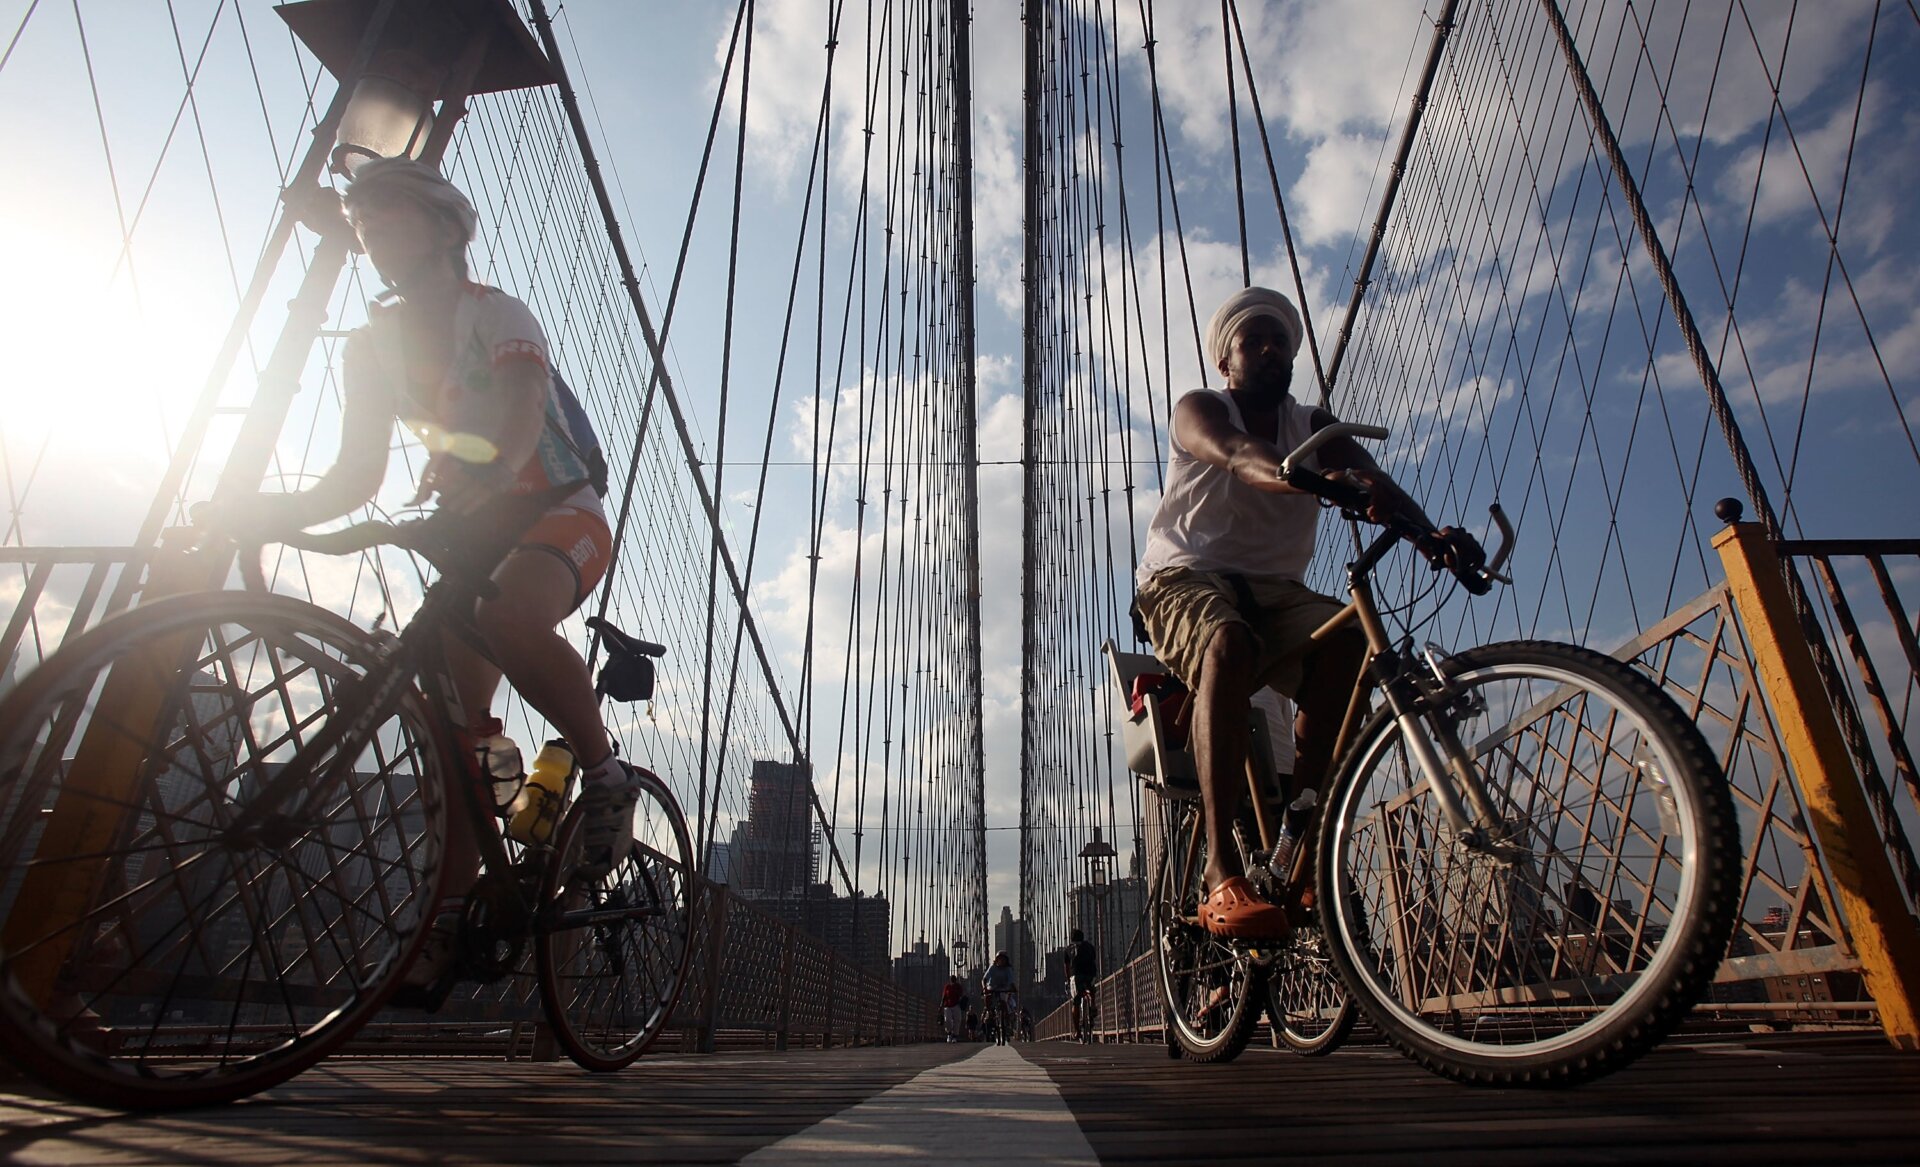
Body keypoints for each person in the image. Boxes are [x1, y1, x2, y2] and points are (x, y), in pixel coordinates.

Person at [207, 158, 641, 990]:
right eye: (362, 221)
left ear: (445, 226)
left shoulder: (497, 311)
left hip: (560, 511)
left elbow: (518, 417)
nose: (372, 233)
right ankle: (459, 906)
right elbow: (354, 478)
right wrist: (266, 513)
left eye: (389, 213)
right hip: (470, 536)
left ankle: (604, 776)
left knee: (514, 618)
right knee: (457, 738)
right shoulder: (370, 351)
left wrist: (483, 476)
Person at [1133, 286, 1477, 939]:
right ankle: (1220, 871)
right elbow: (1238, 455)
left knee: (1351, 643)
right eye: (1253, 341)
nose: (1270, 349)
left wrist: (1434, 538)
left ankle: (1300, 834)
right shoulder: (1201, 407)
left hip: (1277, 590)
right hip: (1184, 576)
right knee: (1227, 643)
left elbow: (1379, 481)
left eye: (1281, 342)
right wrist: (1315, 480)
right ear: (1225, 361)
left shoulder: (1316, 425)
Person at [1065, 927, 1099, 1041]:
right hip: (1091, 974)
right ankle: (1093, 1004)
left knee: (1075, 1002)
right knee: (1091, 988)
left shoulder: (1069, 949)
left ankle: (1078, 1032)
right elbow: (1093, 959)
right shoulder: (1089, 946)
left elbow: (1067, 967)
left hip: (1076, 976)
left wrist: (1067, 980)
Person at [981, 951, 1017, 1045]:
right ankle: (989, 1012)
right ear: (996, 960)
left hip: (1003, 988)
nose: (1001, 961)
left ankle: (1005, 1018)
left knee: (1004, 1002)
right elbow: (984, 979)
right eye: (1000, 959)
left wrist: (1013, 988)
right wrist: (984, 987)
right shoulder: (992, 968)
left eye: (1003, 959)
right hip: (992, 987)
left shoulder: (1008, 969)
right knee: (988, 997)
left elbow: (1011, 981)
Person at [940, 975, 966, 1042]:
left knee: (957, 1020)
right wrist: (941, 1005)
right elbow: (944, 996)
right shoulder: (947, 987)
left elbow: (962, 995)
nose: (953, 981)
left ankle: (954, 1036)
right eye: (952, 979)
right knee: (947, 1020)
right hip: (947, 1005)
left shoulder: (958, 986)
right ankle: (949, 1033)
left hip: (956, 1005)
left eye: (954, 979)